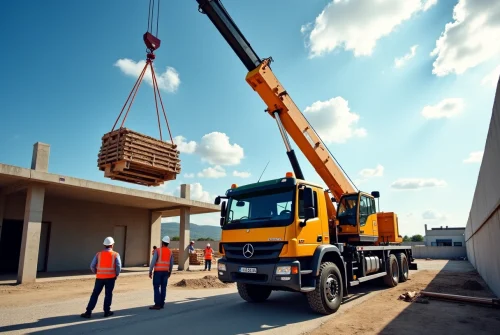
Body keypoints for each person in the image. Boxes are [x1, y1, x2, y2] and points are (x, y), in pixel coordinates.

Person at [81, 236, 122, 318]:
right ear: (112, 245)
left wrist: (97, 272)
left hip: (99, 278)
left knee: (95, 294)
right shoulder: (115, 254)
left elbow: (92, 266)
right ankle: (107, 312)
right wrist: (116, 274)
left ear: (104, 245)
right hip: (111, 278)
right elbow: (118, 266)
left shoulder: (98, 254)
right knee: (108, 294)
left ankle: (88, 312)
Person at [149, 235, 174, 310]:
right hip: (165, 272)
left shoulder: (158, 250)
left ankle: (157, 304)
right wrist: (170, 272)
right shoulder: (170, 252)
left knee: (156, 287)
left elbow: (153, 261)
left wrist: (150, 271)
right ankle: (162, 303)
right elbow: (171, 263)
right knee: (163, 287)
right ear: (168, 243)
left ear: (162, 242)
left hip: (158, 272)